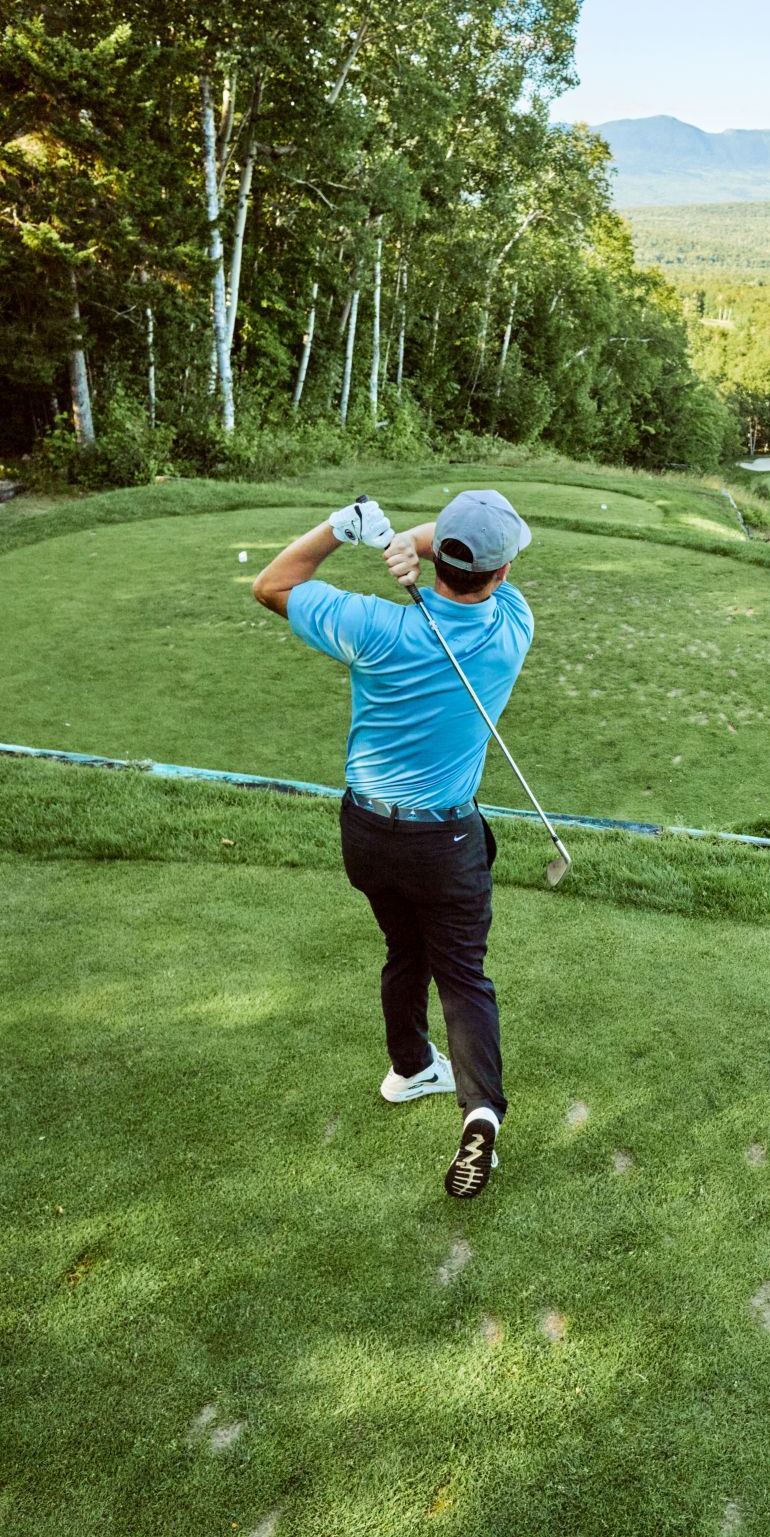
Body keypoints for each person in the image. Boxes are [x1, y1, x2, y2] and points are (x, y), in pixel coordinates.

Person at [251, 490, 535, 1199]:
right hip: (447, 839)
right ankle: (479, 1110)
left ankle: (410, 1066)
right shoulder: (512, 625)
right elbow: (464, 547)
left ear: (441, 560)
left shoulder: (373, 626)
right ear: (498, 574)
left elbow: (272, 584)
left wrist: (347, 530)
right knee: (463, 973)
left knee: (404, 949)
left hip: (370, 834)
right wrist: (419, 542)